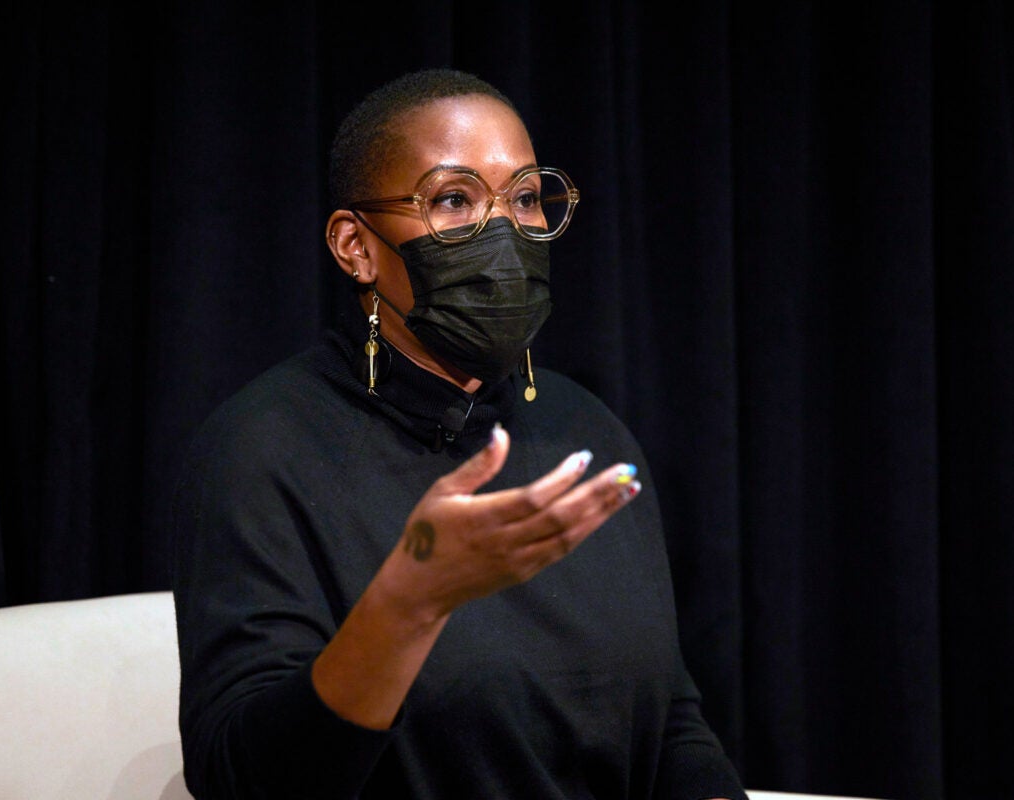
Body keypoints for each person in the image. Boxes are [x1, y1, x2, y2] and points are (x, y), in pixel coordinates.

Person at [171, 68, 747, 800]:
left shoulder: (589, 432)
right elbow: (242, 778)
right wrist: (410, 601)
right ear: (356, 245)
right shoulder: (260, 451)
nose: (505, 233)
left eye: (528, 198)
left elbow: (668, 721)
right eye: (453, 200)